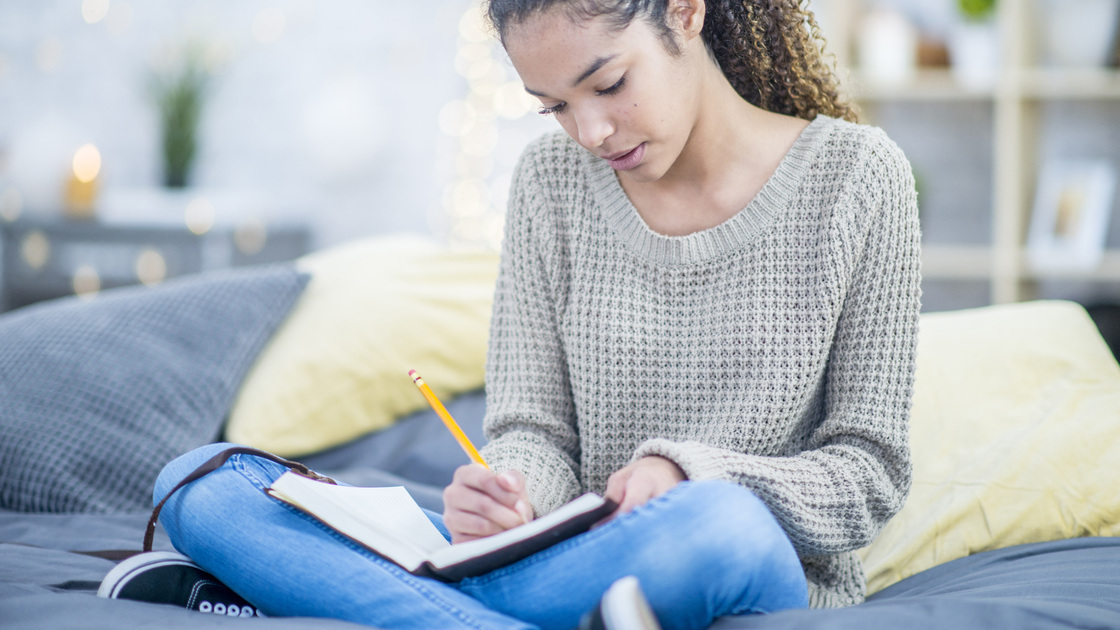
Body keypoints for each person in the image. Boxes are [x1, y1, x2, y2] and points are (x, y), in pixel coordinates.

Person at [98, 0, 921, 628]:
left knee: (720, 522)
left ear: (686, 12)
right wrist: (515, 495)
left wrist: (689, 474)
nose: (589, 130)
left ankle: (319, 598)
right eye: (554, 106)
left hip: (726, 558)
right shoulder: (550, 185)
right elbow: (532, 428)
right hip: (564, 560)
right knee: (206, 484)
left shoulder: (859, 180)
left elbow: (870, 473)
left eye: (608, 84)